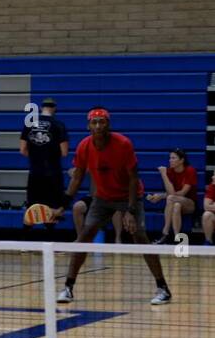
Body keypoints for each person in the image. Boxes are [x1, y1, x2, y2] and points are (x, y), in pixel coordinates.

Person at [53, 107, 171, 305]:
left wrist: (131, 211)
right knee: (83, 238)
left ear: (108, 124)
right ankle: (68, 287)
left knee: (140, 238)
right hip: (102, 199)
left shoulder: (123, 144)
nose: (98, 126)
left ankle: (163, 288)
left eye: (102, 122)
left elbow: (134, 179)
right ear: (88, 126)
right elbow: (78, 177)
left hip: (129, 196)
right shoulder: (84, 146)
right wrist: (63, 205)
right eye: (94, 122)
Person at [20, 97, 69, 230]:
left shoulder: (29, 124)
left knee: (31, 209)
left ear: (41, 108)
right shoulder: (59, 125)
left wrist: (37, 155)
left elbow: (22, 150)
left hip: (35, 173)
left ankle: (25, 244)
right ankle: (50, 244)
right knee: (52, 210)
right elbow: (64, 152)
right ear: (54, 108)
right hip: (53, 174)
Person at [147, 148, 196, 244]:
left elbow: (182, 193)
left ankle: (165, 231)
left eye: (173, 158)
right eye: (170, 158)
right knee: (176, 205)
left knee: (171, 198)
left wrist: (161, 196)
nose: (170, 160)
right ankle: (177, 238)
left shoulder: (190, 170)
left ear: (181, 160)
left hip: (189, 204)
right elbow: (171, 191)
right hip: (176, 203)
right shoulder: (169, 171)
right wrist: (164, 175)